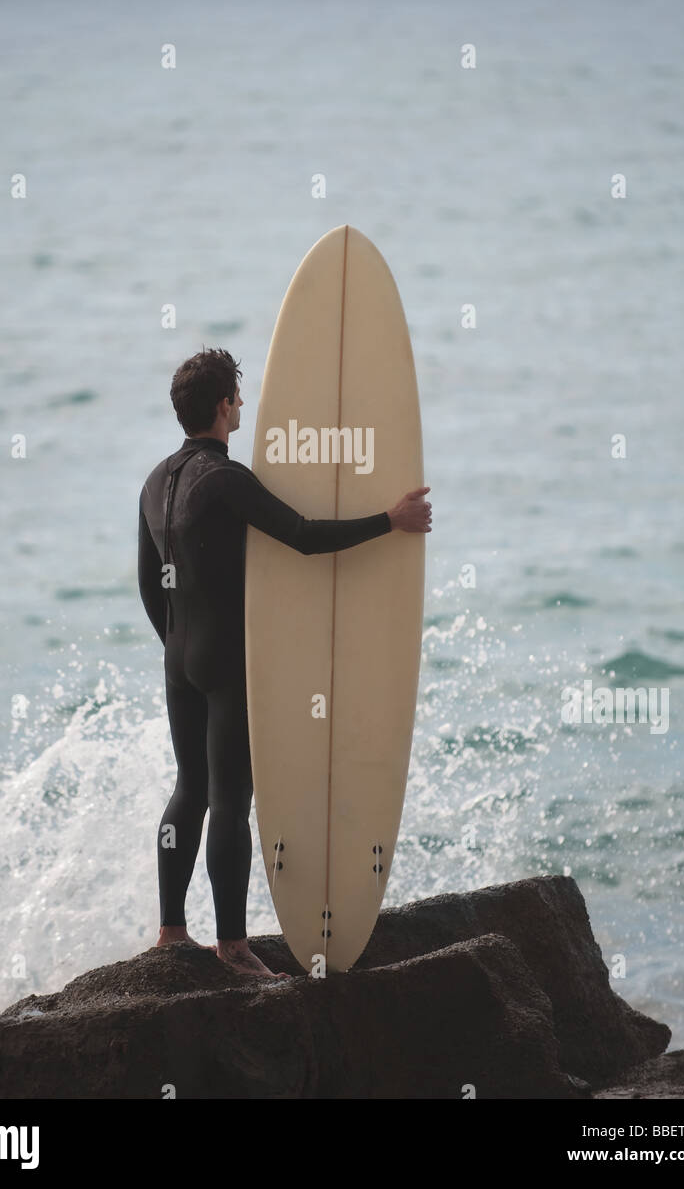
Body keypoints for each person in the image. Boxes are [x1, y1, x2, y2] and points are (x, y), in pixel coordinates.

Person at [138, 347, 431, 979]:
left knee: (189, 789)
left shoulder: (156, 480)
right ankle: (234, 946)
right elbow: (301, 536)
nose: (242, 405)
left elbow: (145, 582)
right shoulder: (226, 478)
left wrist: (176, 643)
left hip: (178, 659)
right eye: (238, 398)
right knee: (229, 798)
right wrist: (391, 520)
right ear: (223, 406)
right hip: (223, 662)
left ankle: (169, 930)